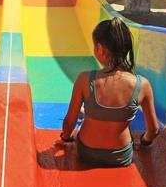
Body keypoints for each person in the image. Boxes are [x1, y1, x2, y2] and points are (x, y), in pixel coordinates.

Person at [60, 18, 160, 167]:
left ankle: (88, 113)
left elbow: (69, 122)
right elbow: (153, 129)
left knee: (83, 124)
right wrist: (144, 142)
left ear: (100, 48)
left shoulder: (85, 79)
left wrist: (66, 138)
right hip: (121, 156)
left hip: (87, 153)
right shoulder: (142, 85)